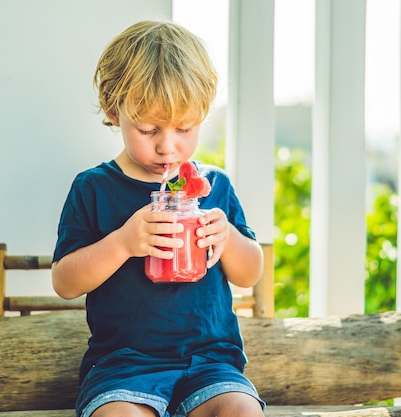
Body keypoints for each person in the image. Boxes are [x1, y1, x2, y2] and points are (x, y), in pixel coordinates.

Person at [51, 20, 266, 417]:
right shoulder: (93, 189)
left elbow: (250, 273)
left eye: (184, 128)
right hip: (122, 369)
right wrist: (122, 243)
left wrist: (229, 238)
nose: (168, 146)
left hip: (210, 365)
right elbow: (65, 282)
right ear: (116, 111)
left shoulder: (214, 186)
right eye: (148, 129)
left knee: (242, 411)